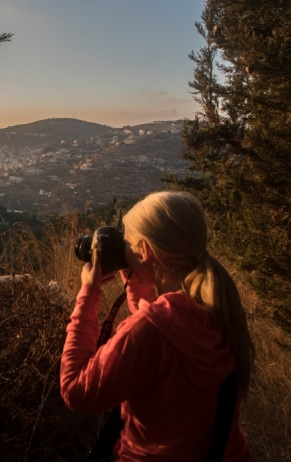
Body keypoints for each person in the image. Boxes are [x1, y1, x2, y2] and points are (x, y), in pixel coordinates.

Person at [60, 191, 255, 461]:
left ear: (146, 252)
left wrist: (89, 294)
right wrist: (138, 276)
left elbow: (76, 391)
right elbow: (161, 333)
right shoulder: (218, 308)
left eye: (127, 244)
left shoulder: (148, 331)